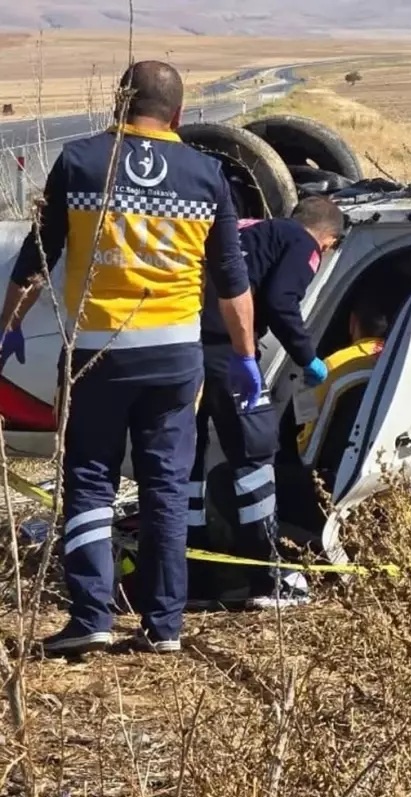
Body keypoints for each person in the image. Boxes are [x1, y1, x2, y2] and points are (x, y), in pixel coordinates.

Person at [0, 61, 258, 656]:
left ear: (118, 104)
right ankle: (164, 625)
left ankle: (92, 614)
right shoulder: (208, 172)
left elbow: (37, 257)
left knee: (90, 478)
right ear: (179, 113)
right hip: (175, 354)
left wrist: (8, 327)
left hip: (100, 352)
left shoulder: (81, 161)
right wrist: (245, 358)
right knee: (166, 486)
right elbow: (231, 281)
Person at [189, 196, 344, 610]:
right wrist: (305, 355)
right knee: (255, 456)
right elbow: (280, 301)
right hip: (227, 353)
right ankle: (264, 576)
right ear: (328, 241)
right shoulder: (302, 243)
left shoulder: (247, 228)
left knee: (188, 456)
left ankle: (191, 571)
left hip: (184, 345)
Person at [293, 291, 390, 470]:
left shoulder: (332, 364)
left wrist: (300, 388)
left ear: (353, 322)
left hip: (323, 473)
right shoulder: (397, 362)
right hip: (377, 468)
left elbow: (304, 434)